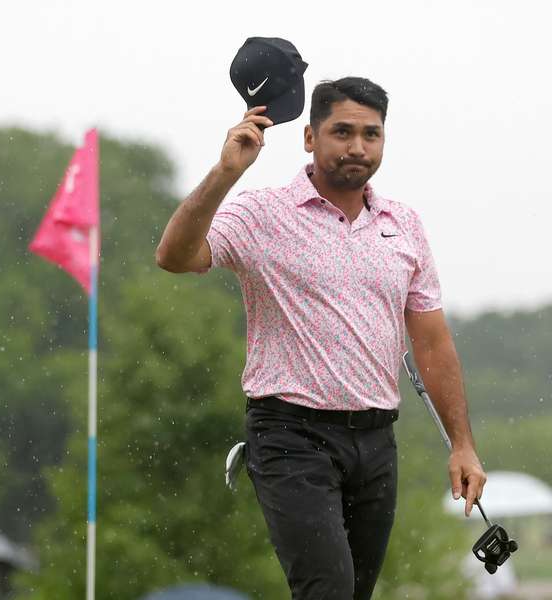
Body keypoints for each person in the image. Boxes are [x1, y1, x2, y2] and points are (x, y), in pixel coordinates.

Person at [155, 76, 487, 600]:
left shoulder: (404, 226)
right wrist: (225, 173)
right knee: (326, 588)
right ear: (310, 137)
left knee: (353, 592)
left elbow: (433, 343)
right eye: (342, 131)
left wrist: (462, 446)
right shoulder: (261, 212)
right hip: (290, 435)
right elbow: (174, 257)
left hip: (377, 440)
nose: (357, 147)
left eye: (371, 134)